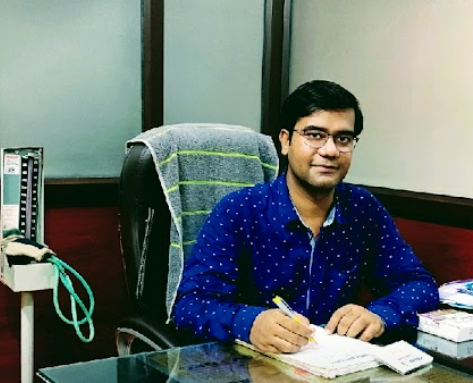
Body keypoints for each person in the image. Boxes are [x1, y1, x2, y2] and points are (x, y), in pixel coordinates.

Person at [173, 80, 439, 354]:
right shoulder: (239, 210)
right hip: (250, 366)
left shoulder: (362, 209)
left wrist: (380, 314)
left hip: (334, 367)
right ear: (285, 141)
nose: (330, 150)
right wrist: (249, 323)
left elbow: (419, 284)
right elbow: (190, 306)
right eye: (314, 135)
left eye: (343, 139)